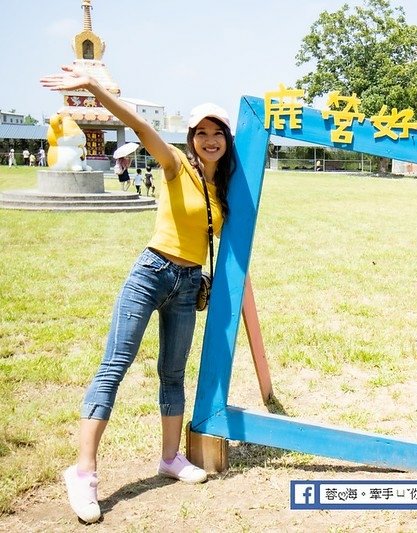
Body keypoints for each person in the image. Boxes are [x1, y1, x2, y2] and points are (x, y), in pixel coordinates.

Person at [41, 65, 235, 524]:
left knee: (173, 373)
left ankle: (170, 458)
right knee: (115, 366)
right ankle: (84, 472)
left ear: (226, 141)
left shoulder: (224, 187)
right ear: (190, 138)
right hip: (152, 273)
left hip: (188, 286)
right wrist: (93, 89)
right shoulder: (173, 165)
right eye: (201, 133)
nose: (209, 140)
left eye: (217, 134)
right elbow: (140, 125)